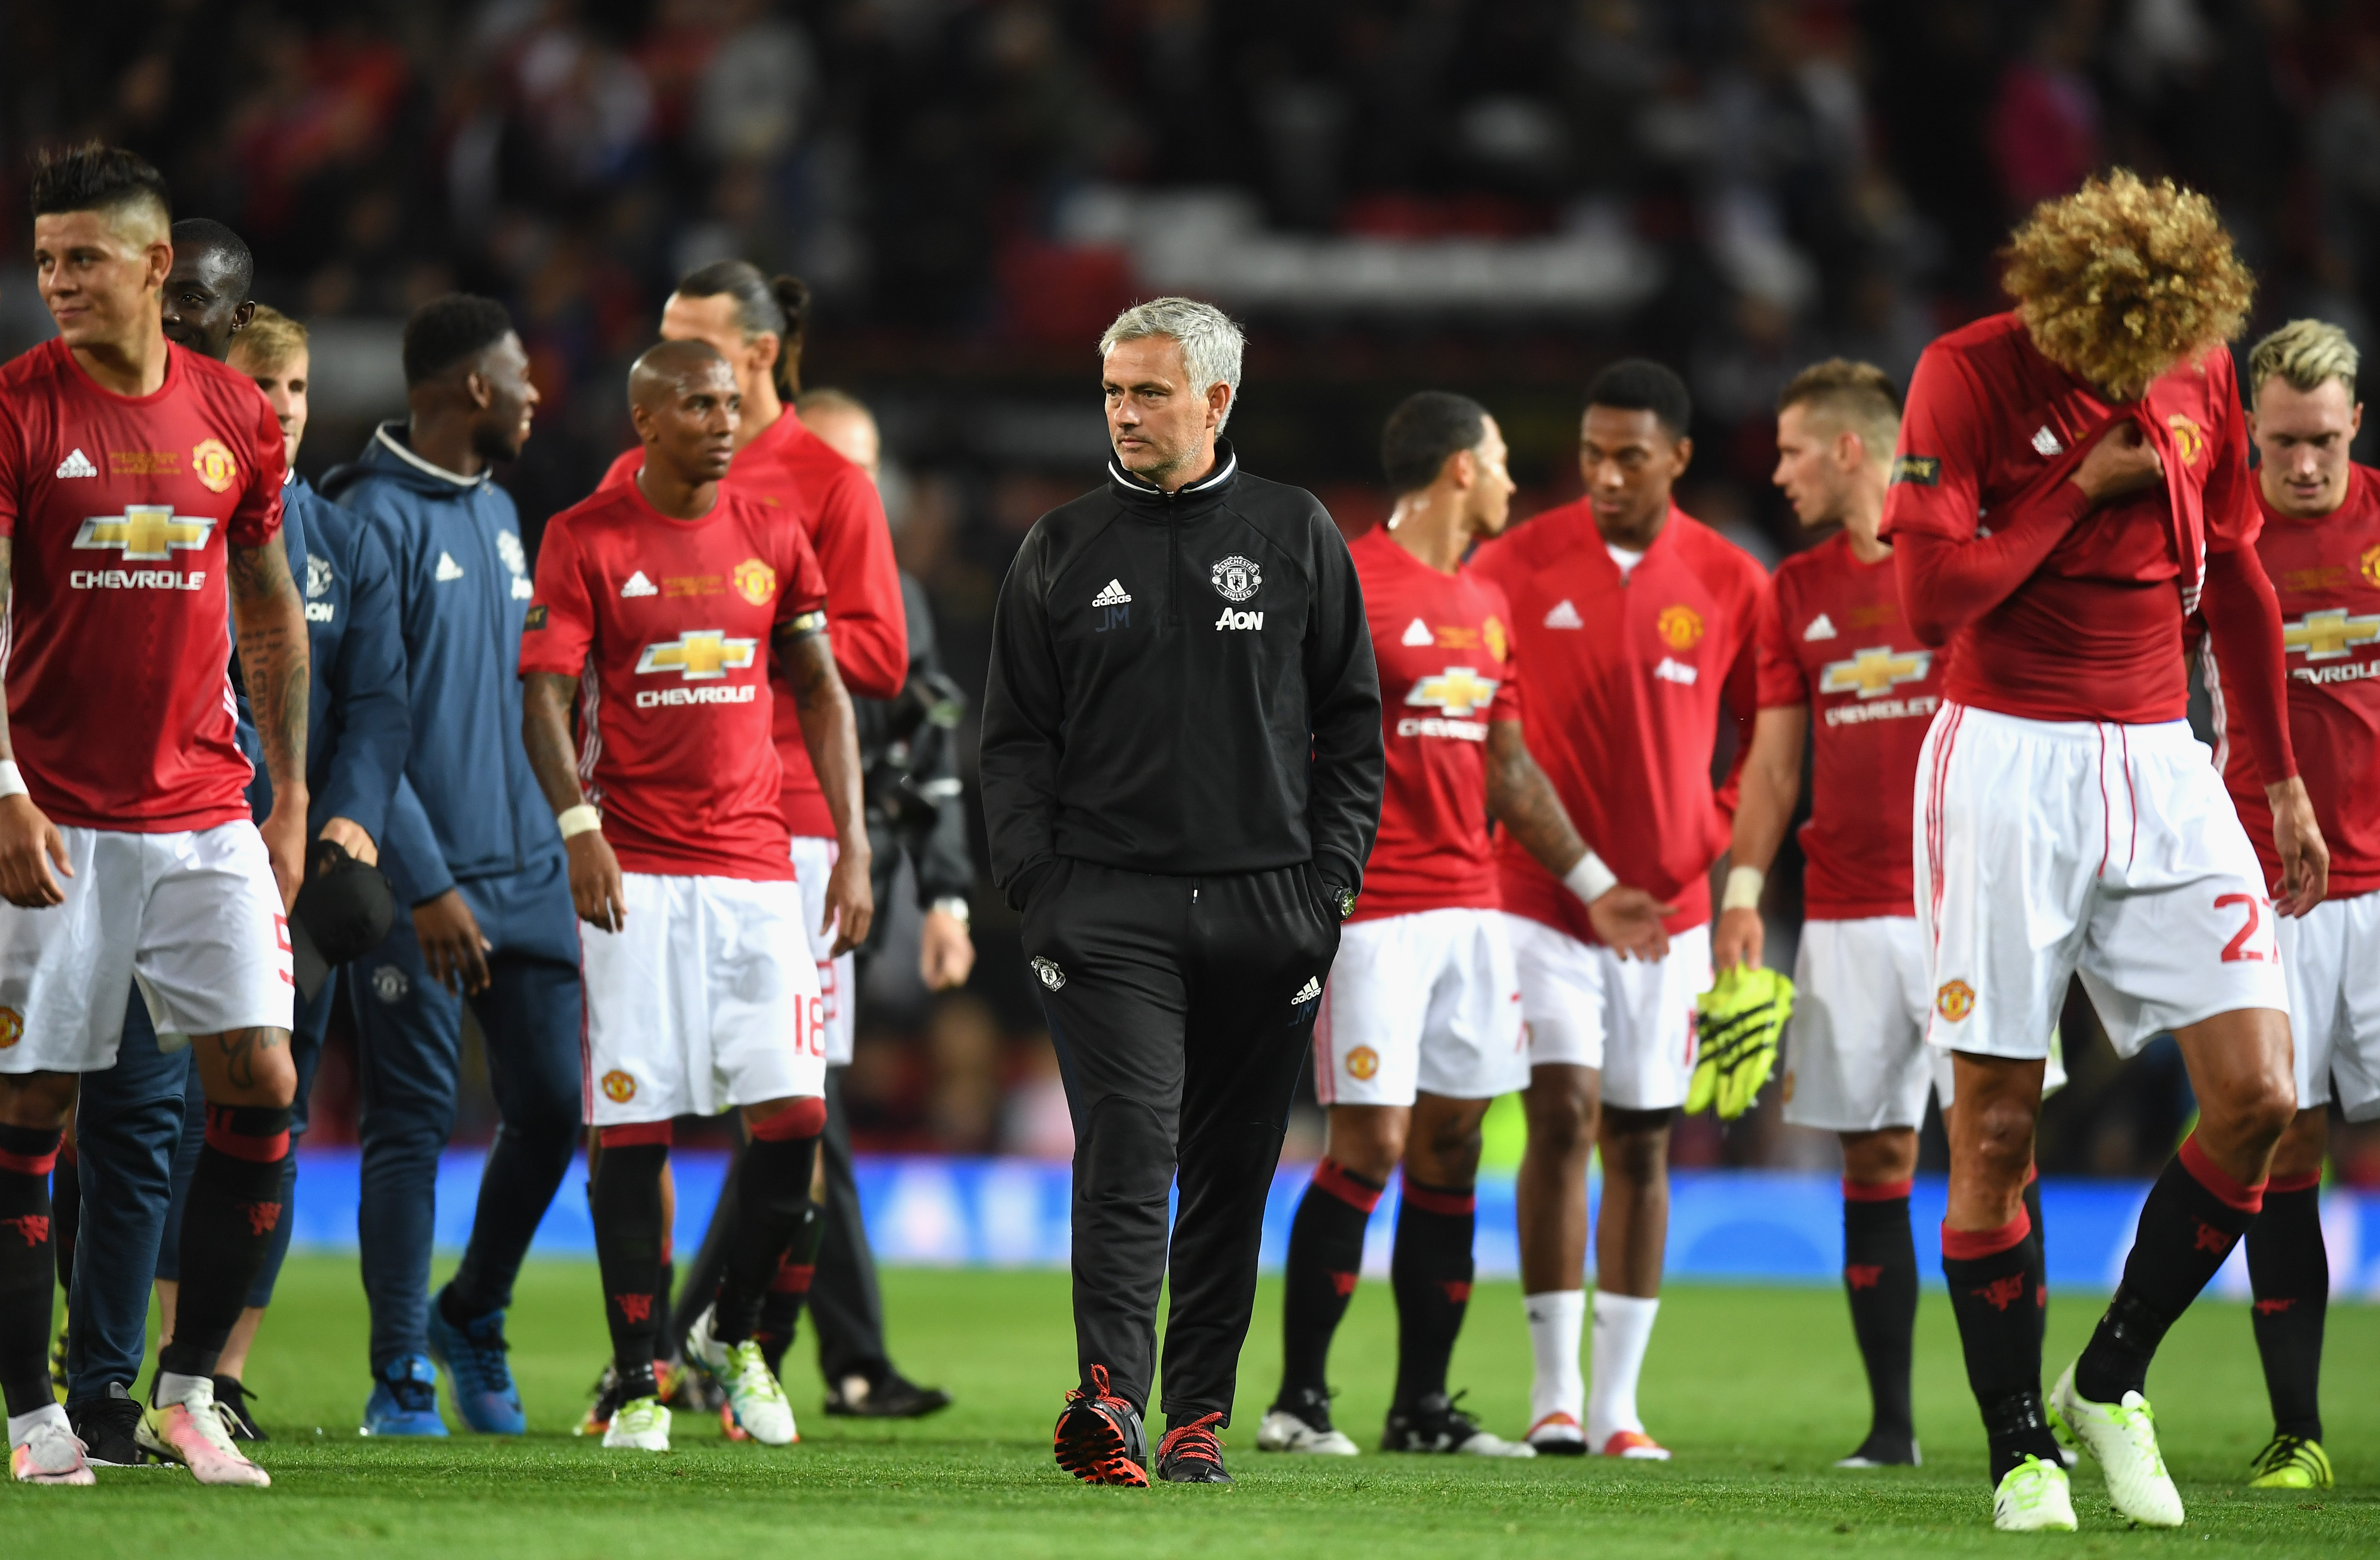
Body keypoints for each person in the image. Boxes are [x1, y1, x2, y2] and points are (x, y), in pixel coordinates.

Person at [1885, 172, 2323, 1532]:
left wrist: (2282, 778)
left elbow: (2240, 571)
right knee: (1996, 1125)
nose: (2137, 374)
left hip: (2161, 753)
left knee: (2259, 1094)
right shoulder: (1962, 374)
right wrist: (2074, 490)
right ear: (2055, 307)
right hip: (2003, 758)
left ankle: (2105, 1375)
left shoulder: (2196, 368)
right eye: (2104, 352)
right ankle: (2020, 1443)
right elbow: (1925, 596)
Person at [981, 296, 1383, 1486]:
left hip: (1269, 909)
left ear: (1216, 400)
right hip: (1104, 909)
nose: (1124, 412)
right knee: (1127, 1142)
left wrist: (1327, 893)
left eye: (1148, 392)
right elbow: (1013, 742)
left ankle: (1198, 1409)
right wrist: (1036, 886)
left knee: (1231, 1163)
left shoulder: (1297, 531)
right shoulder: (1057, 544)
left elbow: (1352, 732)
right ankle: (1110, 1395)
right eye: (1112, 390)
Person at [1259, 392, 1670, 1461]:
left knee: (1447, 1148)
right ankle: (1299, 1401)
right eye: (1497, 463)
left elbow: (1509, 766)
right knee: (1372, 1141)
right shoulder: (1343, 579)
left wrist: (1589, 884)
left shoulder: (1487, 604)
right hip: (1373, 912)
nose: (1509, 483)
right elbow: (1272, 733)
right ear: (1454, 471)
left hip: (1474, 909)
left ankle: (1422, 1408)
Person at [1, 144, 308, 1488]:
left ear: (154, 265)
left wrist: (288, 793)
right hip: (56, 811)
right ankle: (31, 1417)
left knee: (263, 1077)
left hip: (203, 808)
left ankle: (190, 1392)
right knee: (34, 1102)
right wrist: (3, 791)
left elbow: (270, 609)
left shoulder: (238, 412)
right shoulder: (14, 406)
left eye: (82, 257)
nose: (58, 281)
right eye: (46, 258)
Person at [520, 340, 860, 1453]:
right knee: (634, 1127)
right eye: (700, 406)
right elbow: (546, 694)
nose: (724, 421)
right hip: (639, 877)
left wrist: (850, 844)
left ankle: (740, 1335)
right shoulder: (584, 537)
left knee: (795, 1119)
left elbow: (820, 689)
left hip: (761, 873)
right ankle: (635, 1376)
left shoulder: (775, 532)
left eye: (731, 403)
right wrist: (579, 828)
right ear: (646, 420)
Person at [578, 268, 903, 1434]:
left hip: (790, 826)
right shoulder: (632, 480)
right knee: (646, 1101)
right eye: (666, 349)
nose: (681, 368)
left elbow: (873, 653)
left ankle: (738, 1341)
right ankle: (652, 1355)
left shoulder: (824, 484)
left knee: (790, 1111)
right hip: (652, 831)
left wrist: (726, 647)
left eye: (699, 344)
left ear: (756, 356)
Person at [1470, 359, 1766, 1459]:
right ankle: (1551, 1394)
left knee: (1643, 1141)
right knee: (1558, 1119)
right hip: (1542, 900)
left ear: (1677, 458)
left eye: (1628, 456)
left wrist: (1711, 839)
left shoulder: (1734, 580)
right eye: (1591, 454)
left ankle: (1616, 1409)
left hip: (1672, 916)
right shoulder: (1511, 564)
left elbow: (1768, 740)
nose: (1603, 474)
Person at [670, 384, 962, 1420]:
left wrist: (948, 896)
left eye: (869, 468)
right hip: (753, 842)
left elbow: (933, 755)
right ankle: (755, 1349)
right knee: (790, 1116)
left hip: (838, 863)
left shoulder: (897, 602)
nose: (857, 492)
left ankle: (715, 1347)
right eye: (841, 468)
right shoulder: (733, 577)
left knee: (793, 1114)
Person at [149, 305, 411, 1435]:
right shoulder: (180, 520)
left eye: (300, 388)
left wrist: (347, 819)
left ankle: (217, 1367)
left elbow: (381, 703)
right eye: (265, 386)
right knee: (145, 1107)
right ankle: (135, 1348)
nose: (286, 408)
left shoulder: (349, 542)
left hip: (296, 867)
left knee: (274, 1109)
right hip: (177, 841)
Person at [324, 293, 580, 1437]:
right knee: (412, 1119)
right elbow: (360, 721)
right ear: (475, 387)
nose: (536, 394)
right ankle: (398, 1377)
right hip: (419, 885)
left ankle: (469, 1309)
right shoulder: (365, 516)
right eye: (521, 375)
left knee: (555, 1108)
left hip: (528, 874)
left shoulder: (504, 511)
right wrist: (424, 884)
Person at [1715, 360, 1967, 1469]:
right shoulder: (1791, 591)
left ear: (1851, 450)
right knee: (1875, 1161)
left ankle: (2023, 1418)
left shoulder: (1957, 564)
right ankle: (1891, 1429)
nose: (1777, 474)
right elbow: (1771, 770)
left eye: (1791, 452)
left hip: (1971, 910)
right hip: (1847, 910)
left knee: (1997, 1150)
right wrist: (1738, 892)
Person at [2212, 318, 2380, 1492]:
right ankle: (2296, 1431)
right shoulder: (2217, 534)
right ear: (2247, 429)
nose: (2305, 464)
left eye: (2323, 440)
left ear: (2354, 423)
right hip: (2268, 891)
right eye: (2280, 442)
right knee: (2287, 1136)